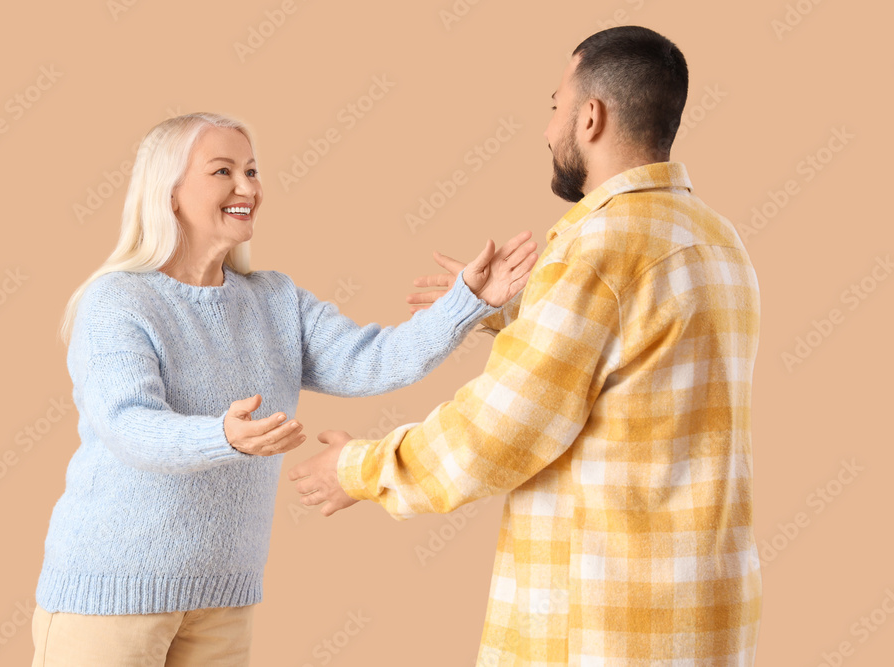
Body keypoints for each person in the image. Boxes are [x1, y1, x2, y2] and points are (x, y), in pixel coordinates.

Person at [290, 25, 763, 666]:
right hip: (702, 619)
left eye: (554, 107)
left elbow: (498, 434)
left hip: (603, 629)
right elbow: (639, 370)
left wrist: (361, 470)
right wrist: (508, 313)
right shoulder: (716, 239)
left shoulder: (602, 248)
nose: (548, 129)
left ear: (590, 117)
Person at [29, 111, 538, 666]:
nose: (248, 187)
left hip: (223, 598)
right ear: (168, 192)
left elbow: (374, 361)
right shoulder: (119, 301)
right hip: (110, 594)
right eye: (222, 171)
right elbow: (129, 427)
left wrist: (468, 304)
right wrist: (223, 437)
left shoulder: (275, 299)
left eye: (251, 170)